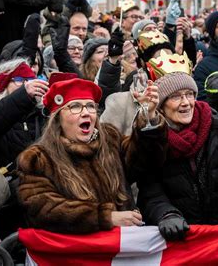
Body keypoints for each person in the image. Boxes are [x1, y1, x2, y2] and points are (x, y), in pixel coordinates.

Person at [17, 77, 167, 234]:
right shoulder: (37, 159)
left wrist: (148, 116)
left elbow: (145, 163)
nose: (86, 113)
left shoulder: (110, 139)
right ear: (58, 118)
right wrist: (106, 217)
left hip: (122, 247)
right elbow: (42, 209)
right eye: (75, 106)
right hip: (78, 253)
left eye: (90, 106)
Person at [137, 72, 218, 241]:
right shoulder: (153, 139)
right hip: (184, 240)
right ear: (161, 106)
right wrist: (166, 214)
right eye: (176, 97)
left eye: (189, 95)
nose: (185, 102)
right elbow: (149, 189)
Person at [0, 58, 48, 236]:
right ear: (4, 82)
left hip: (35, 200)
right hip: (1, 201)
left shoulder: (40, 114)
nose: (28, 84)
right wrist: (22, 96)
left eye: (31, 79)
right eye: (21, 80)